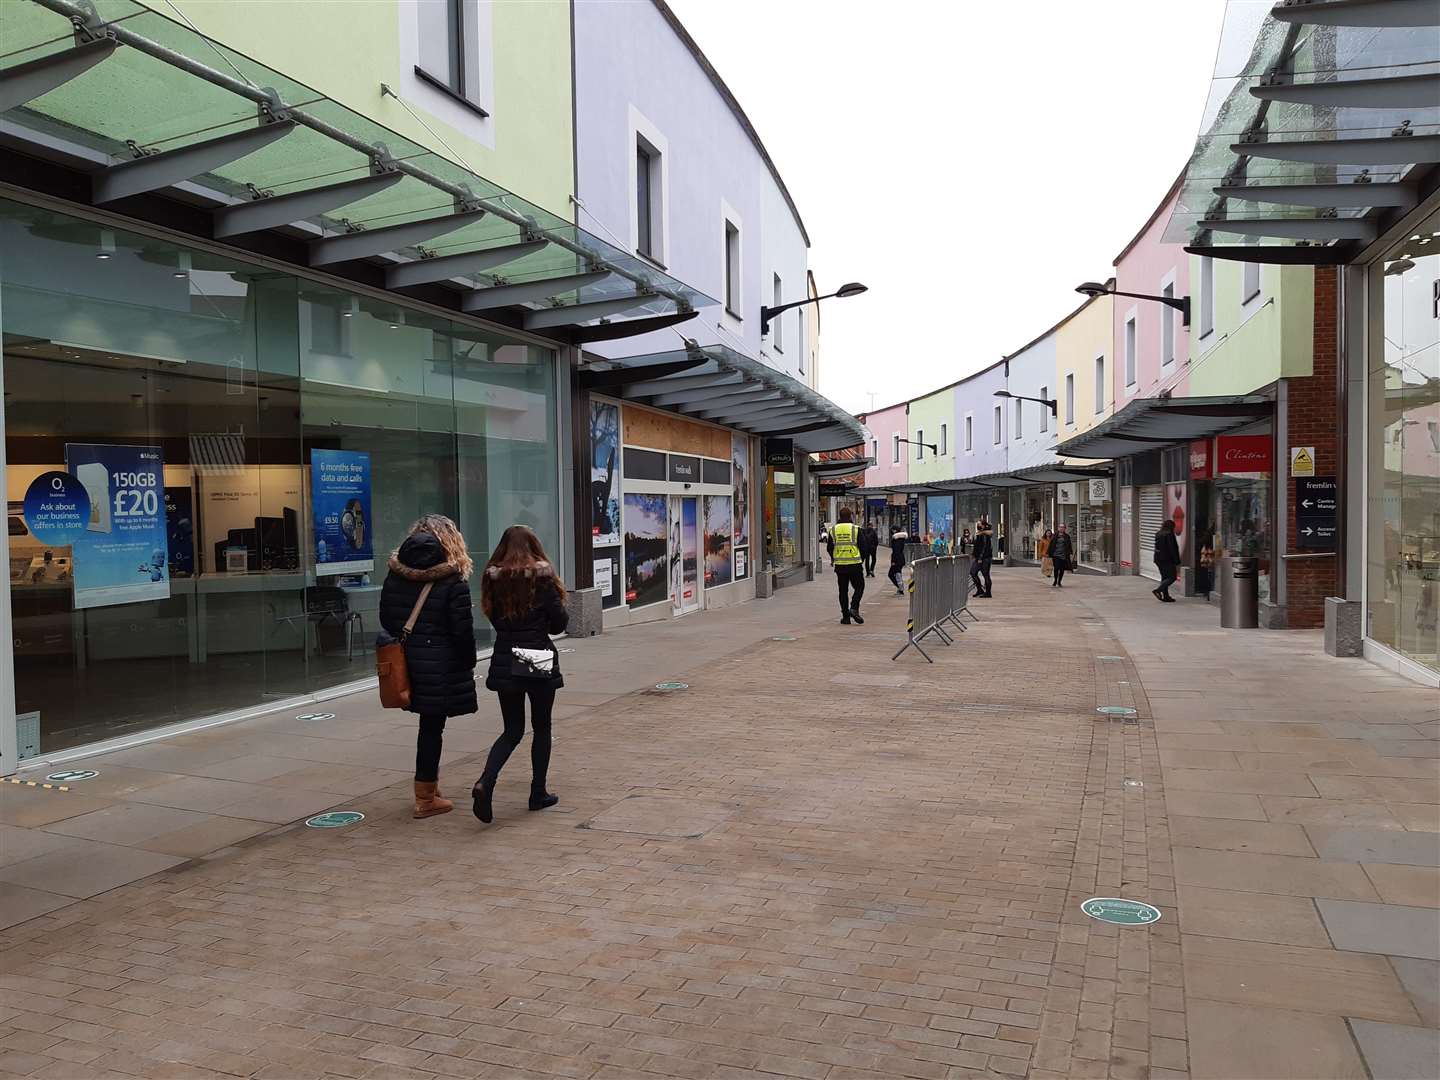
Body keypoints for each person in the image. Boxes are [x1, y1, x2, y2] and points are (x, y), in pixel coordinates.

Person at [379, 515, 477, 819]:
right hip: (441, 663)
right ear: (450, 539)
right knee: (433, 728)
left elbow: (386, 618)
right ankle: (425, 797)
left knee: (429, 726)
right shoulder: (453, 579)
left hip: (409, 661)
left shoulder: (395, 575)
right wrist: (467, 662)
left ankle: (430, 788)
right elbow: (462, 631)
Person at [471, 525, 569, 823]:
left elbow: (494, 617)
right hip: (536, 655)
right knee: (542, 727)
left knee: (512, 730)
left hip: (505, 656)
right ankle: (537, 793)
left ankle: (485, 782)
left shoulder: (493, 579)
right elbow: (559, 623)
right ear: (533, 547)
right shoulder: (543, 580)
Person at [826, 507, 865, 625]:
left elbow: (829, 548)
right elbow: (863, 547)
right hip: (855, 564)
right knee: (859, 587)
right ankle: (854, 607)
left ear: (839, 516)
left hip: (840, 566)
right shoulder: (856, 529)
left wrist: (834, 558)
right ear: (850, 516)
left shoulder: (833, 530)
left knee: (843, 591)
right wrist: (861, 560)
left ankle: (845, 617)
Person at [1153, 519, 1181, 603]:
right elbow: (1172, 548)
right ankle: (1158, 590)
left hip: (1158, 559)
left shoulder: (1158, 533)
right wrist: (1177, 560)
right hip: (1167, 559)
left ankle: (1166, 596)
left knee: (1165, 577)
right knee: (1172, 577)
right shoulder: (1169, 534)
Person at [970, 517, 994, 598]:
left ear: (983, 526)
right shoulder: (980, 533)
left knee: (985, 574)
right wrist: (974, 554)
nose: (978, 526)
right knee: (973, 572)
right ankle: (980, 589)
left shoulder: (984, 534)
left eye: (979, 525)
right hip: (980, 557)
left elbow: (984, 547)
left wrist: (980, 558)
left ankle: (988, 592)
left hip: (984, 558)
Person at [1049, 523, 1075, 588]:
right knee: (1056, 568)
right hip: (1056, 555)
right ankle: (1055, 580)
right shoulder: (1054, 535)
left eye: (1063, 527)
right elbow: (1051, 545)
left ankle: (1059, 581)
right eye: (1060, 527)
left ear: (1065, 529)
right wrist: (1049, 553)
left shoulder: (1067, 536)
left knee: (1062, 569)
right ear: (1058, 528)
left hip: (1063, 555)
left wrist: (1070, 553)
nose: (1061, 528)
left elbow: (1069, 545)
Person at [887, 524, 910, 595]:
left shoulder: (896, 540)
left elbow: (896, 551)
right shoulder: (900, 539)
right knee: (898, 573)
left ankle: (900, 588)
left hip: (897, 560)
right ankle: (900, 588)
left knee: (891, 574)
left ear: (894, 531)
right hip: (900, 559)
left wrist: (893, 561)